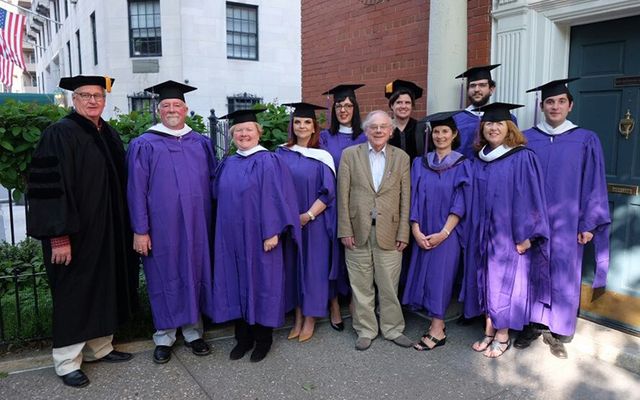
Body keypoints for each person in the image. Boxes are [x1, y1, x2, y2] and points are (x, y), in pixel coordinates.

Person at [26, 75, 138, 388]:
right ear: (74, 99)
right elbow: (48, 189)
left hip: (108, 230)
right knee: (75, 293)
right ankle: (66, 361)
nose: (92, 101)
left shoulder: (108, 133)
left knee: (104, 286)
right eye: (85, 95)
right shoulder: (59, 133)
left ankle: (99, 348)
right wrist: (58, 237)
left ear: (105, 100)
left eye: (98, 96)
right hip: (75, 234)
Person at [517, 78, 610, 359]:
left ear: (570, 106)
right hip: (533, 221)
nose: (555, 106)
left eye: (560, 102)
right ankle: (532, 324)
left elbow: (594, 182)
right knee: (530, 269)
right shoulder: (526, 138)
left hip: (568, 222)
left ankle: (559, 328)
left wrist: (589, 223)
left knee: (563, 270)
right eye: (549, 102)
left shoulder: (585, 139)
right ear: (541, 106)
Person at [126, 80, 216, 364]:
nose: (172, 109)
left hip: (198, 225)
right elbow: (136, 191)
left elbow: (214, 184)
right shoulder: (144, 144)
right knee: (164, 275)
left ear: (186, 109)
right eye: (166, 105)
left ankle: (193, 332)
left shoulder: (201, 142)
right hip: (161, 228)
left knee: (194, 272)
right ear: (158, 109)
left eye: (177, 104)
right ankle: (164, 335)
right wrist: (140, 230)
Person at [212, 109, 301, 362]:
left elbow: (276, 197)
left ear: (258, 132)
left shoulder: (268, 160)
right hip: (231, 238)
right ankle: (243, 339)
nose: (243, 134)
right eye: (238, 131)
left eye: (248, 129)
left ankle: (263, 340)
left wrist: (272, 231)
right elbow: (217, 196)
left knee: (263, 284)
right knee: (237, 282)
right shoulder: (228, 163)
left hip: (261, 237)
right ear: (232, 135)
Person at [465, 102, 550, 358]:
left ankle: (502, 335)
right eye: (488, 123)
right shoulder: (479, 159)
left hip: (508, 234)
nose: (493, 128)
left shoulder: (522, 157)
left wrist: (527, 235)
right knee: (484, 279)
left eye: (499, 123)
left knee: (502, 281)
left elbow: (532, 197)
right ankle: (489, 329)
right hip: (482, 232)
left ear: (509, 127)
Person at [337, 110, 412, 351]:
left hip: (390, 232)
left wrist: (403, 232)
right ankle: (366, 330)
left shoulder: (401, 158)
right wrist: (344, 230)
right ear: (366, 131)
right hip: (357, 231)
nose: (378, 131)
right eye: (373, 127)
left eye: (383, 127)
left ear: (391, 131)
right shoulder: (350, 155)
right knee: (360, 284)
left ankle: (392, 329)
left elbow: (405, 199)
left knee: (389, 284)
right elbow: (343, 195)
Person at [402, 111, 472, 351]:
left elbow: (461, 201)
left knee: (440, 278)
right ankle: (434, 321)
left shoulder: (463, 164)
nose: (441, 136)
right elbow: (413, 197)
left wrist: (444, 232)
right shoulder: (420, 163)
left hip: (447, 232)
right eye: (437, 132)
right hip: (423, 229)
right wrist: (415, 229)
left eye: (445, 131)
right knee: (425, 274)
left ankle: (437, 328)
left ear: (454, 135)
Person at [276, 102, 337, 343]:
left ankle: (311, 317)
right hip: (290, 223)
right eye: (298, 122)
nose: (302, 126)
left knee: (313, 269)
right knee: (294, 268)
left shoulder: (322, 156)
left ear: (314, 128)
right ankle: (298, 316)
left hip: (315, 222)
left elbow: (328, 192)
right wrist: (291, 217)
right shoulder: (281, 153)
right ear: (292, 126)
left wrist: (308, 215)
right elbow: (275, 189)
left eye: (307, 122)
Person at [319, 83, 367, 331]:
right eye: (339, 105)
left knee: (356, 253)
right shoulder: (326, 137)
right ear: (333, 109)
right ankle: (334, 303)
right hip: (332, 205)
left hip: (357, 205)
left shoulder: (365, 136)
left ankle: (354, 300)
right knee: (332, 255)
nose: (344, 110)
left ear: (355, 107)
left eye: (348, 105)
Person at [453, 64, 518, 159]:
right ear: (467, 90)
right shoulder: (456, 119)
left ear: (491, 89)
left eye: (482, 85)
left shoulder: (508, 119)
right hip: (463, 171)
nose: (476, 89)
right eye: (472, 86)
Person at [385, 79, 427, 161]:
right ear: (391, 105)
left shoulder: (422, 128)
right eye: (399, 102)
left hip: (415, 173)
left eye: (407, 102)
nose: (403, 106)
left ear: (412, 106)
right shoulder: (384, 128)